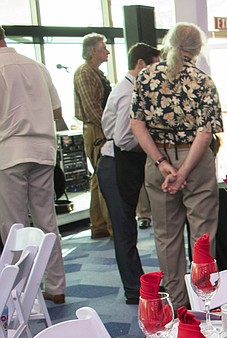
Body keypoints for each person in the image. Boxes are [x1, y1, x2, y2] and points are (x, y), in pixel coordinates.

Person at [130, 23, 222, 309]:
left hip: (159, 160)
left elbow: (136, 124)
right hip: (195, 160)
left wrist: (161, 163)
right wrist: (184, 171)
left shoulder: (145, 77)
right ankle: (203, 302)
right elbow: (206, 133)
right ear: (197, 50)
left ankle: (178, 307)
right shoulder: (202, 81)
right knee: (203, 235)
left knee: (166, 237)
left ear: (168, 43)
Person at [0, 26, 67, 304]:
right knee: (47, 222)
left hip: (9, 153)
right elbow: (57, 112)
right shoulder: (37, 66)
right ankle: (57, 286)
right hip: (43, 151)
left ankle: (17, 293)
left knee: (13, 226)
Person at [98, 42, 160, 305]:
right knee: (124, 229)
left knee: (127, 228)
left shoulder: (129, 89)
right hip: (117, 164)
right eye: (156, 64)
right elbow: (124, 138)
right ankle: (134, 289)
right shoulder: (128, 92)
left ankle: (136, 286)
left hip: (123, 163)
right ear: (141, 64)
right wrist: (151, 144)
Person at [73, 32, 112, 239]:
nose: (107, 51)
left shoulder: (95, 72)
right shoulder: (85, 73)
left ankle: (99, 225)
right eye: (103, 47)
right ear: (92, 51)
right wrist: (110, 129)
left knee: (98, 178)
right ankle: (108, 225)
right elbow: (92, 109)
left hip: (99, 128)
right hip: (96, 129)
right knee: (104, 177)